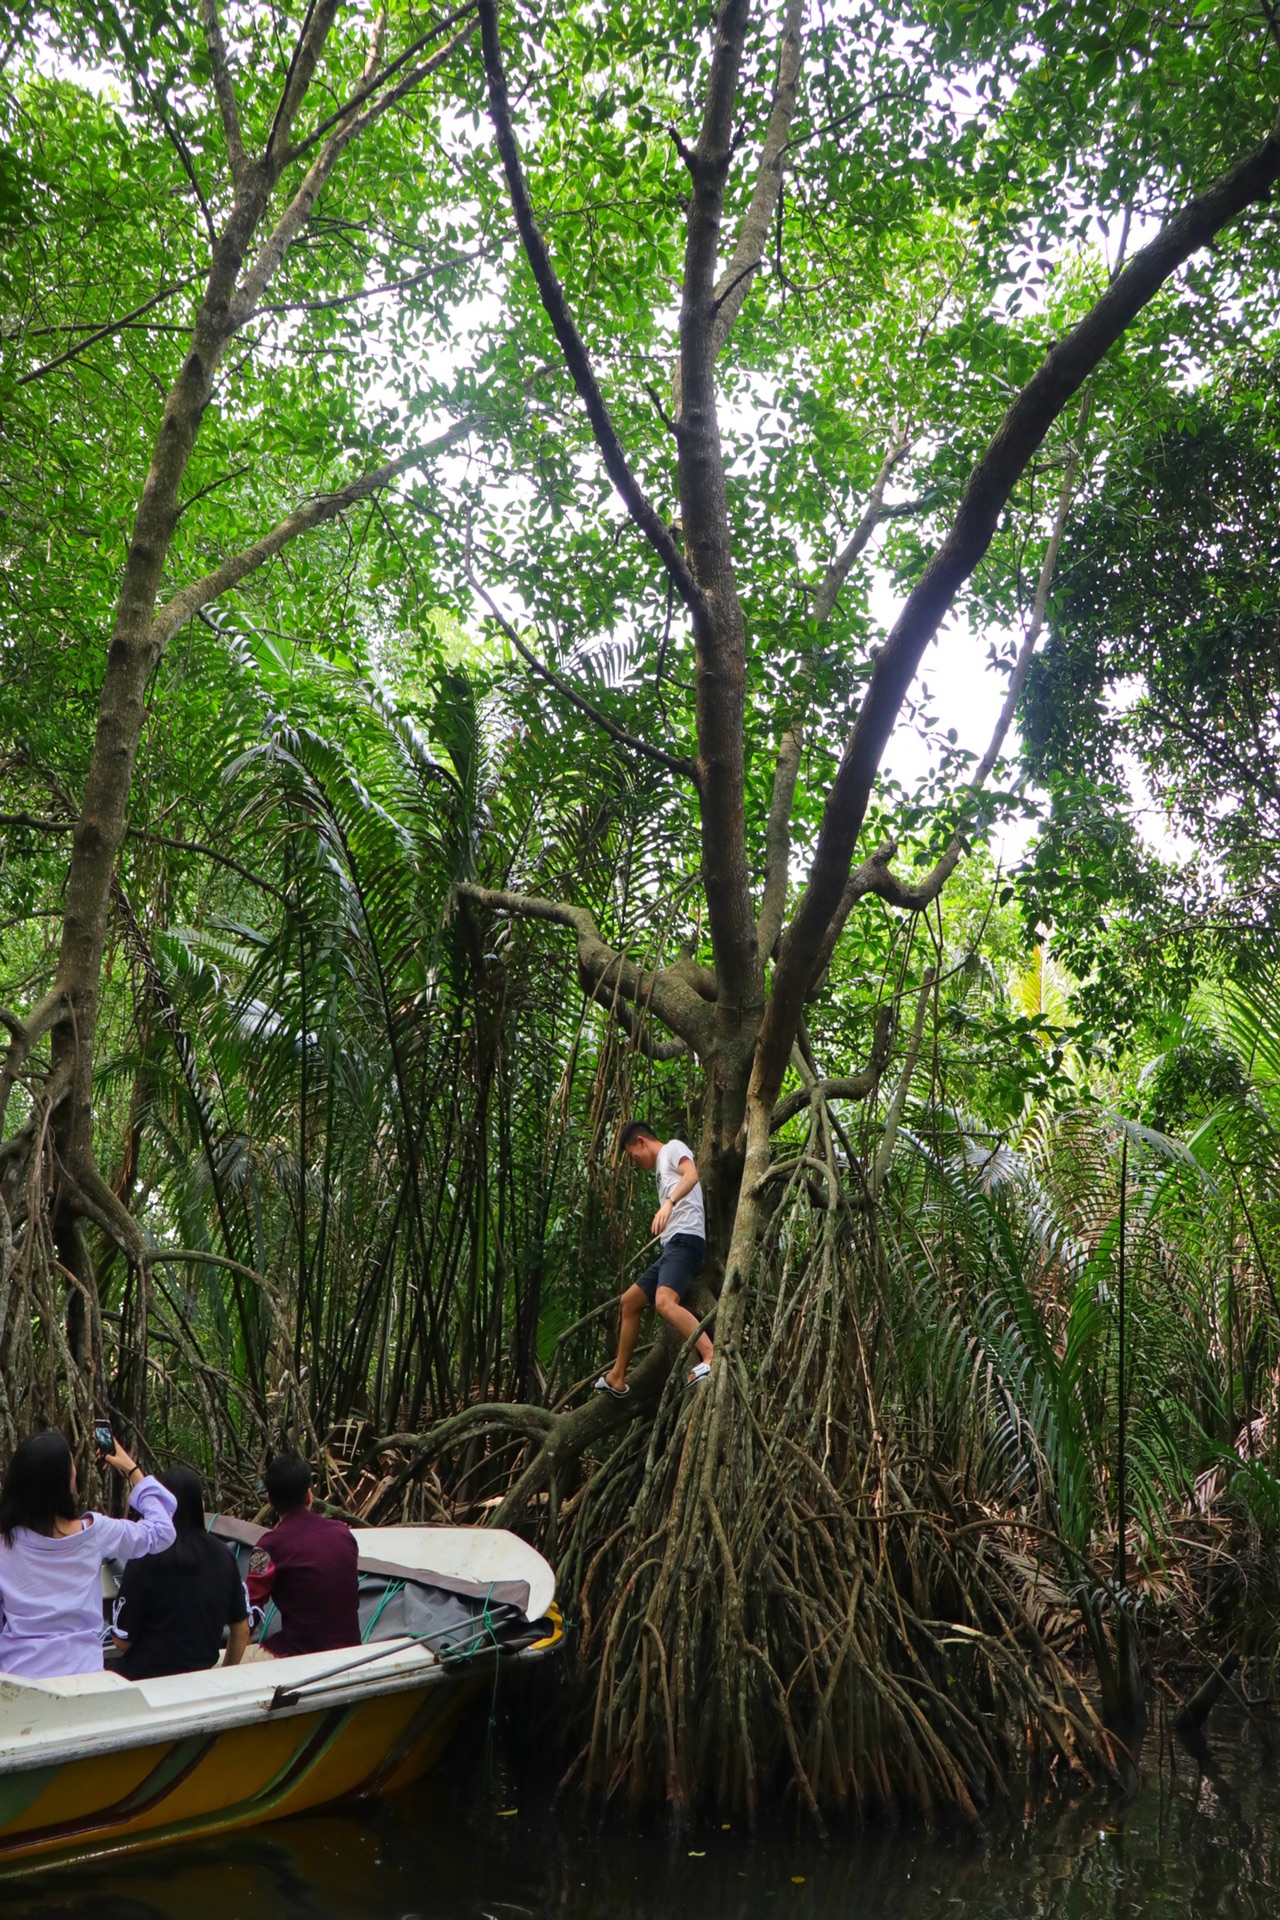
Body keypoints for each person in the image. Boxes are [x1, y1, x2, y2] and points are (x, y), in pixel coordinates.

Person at [0, 1428, 176, 1678]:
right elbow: (162, 1532)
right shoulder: (96, 1533)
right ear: (66, 1480)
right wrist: (132, 1470)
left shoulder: (4, 1543)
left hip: (20, 1680)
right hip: (84, 1676)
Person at [595, 1120, 713, 1398]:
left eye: (630, 1154)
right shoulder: (660, 1168)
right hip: (672, 1245)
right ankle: (617, 1378)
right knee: (629, 1301)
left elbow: (692, 1174)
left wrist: (669, 1203)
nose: (633, 1162)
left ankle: (710, 1356)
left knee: (664, 1302)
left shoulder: (672, 1148)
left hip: (686, 1240)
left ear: (640, 1141)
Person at [111, 1465, 250, 1679]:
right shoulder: (224, 1556)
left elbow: (121, 1642)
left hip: (146, 1682)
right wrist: (224, 1675)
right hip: (201, 1677)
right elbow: (241, 1630)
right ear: (200, 1504)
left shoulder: (145, 1555)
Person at [244, 1453, 359, 1658]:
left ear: (269, 1500)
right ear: (309, 1495)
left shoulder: (265, 1548)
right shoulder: (343, 1532)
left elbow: (249, 1611)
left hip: (299, 1656)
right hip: (351, 1649)